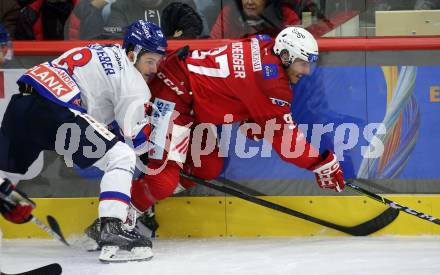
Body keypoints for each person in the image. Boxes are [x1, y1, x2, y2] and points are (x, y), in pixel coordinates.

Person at [127, 27, 345, 222]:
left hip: (189, 96)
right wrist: (321, 163)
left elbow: (240, 85)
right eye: (302, 63)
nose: (306, 71)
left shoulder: (265, 42)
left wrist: (255, 119)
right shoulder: (273, 84)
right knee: (163, 182)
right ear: (286, 56)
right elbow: (287, 143)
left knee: (207, 166)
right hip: (173, 92)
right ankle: (117, 220)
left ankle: (144, 192)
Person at [0, 19, 167, 262]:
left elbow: (99, 121)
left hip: (22, 105)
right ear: (132, 53)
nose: (153, 69)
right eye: (150, 61)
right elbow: (135, 141)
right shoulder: (134, 84)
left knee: (4, 175)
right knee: (121, 156)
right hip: (55, 110)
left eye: (157, 62)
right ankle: (112, 229)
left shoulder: (100, 50)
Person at [102, 0, 203, 39]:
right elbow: (115, 37)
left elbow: (199, 37)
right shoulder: (121, 6)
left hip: (175, 62)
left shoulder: (183, 4)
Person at [210, 0, 301, 39]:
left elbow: (299, 48)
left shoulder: (285, 14)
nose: (249, 2)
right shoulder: (230, 12)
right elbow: (213, 44)